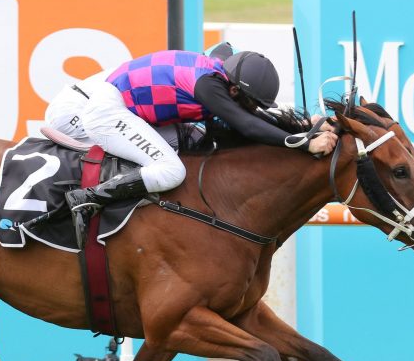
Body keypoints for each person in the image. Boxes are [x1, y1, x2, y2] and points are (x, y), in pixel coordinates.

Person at [45, 49, 338, 240]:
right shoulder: (208, 85)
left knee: (193, 142)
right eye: (250, 101)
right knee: (171, 170)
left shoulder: (219, 77)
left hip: (119, 104)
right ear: (234, 90)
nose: (252, 108)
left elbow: (249, 118)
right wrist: (302, 143)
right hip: (100, 111)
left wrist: (305, 124)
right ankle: (88, 199)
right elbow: (246, 124)